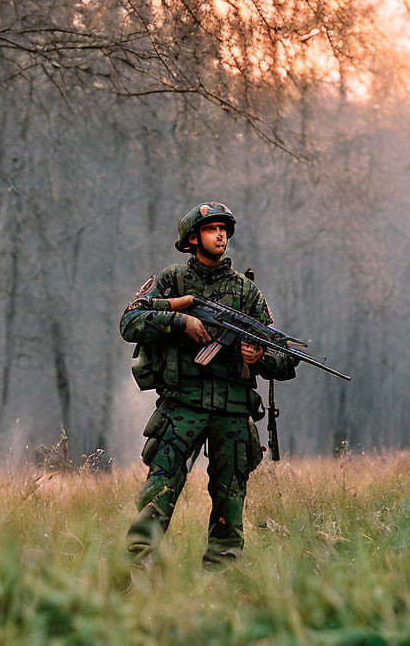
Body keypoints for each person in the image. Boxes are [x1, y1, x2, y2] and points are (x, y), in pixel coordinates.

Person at [120, 201, 297, 572]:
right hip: (181, 405)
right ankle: (135, 568)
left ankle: (222, 577)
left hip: (232, 411)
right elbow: (130, 322)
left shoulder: (246, 293)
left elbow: (284, 359)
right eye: (212, 228)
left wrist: (257, 357)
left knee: (230, 499)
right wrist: (180, 322)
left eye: (224, 229)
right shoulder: (171, 280)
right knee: (160, 490)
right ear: (192, 238)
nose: (220, 235)